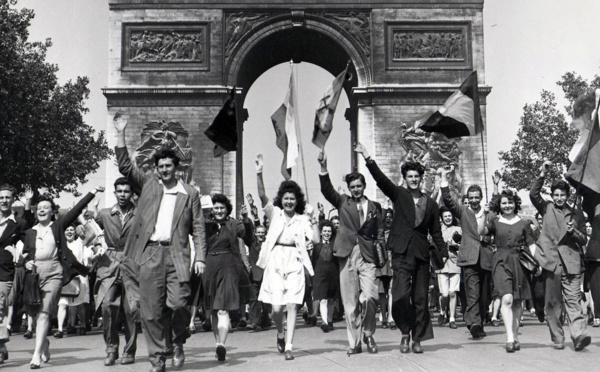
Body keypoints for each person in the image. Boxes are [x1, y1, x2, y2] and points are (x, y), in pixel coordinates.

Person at [114, 115, 206, 372]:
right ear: (155, 168)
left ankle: (177, 342)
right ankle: (157, 360)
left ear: (177, 168)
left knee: (179, 304)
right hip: (150, 254)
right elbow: (124, 166)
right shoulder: (148, 186)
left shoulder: (190, 194)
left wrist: (199, 257)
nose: (164, 169)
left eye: (168, 165)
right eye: (160, 166)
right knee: (151, 312)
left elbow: (198, 227)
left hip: (177, 255)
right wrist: (120, 133)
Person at [355, 142, 447, 354]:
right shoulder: (398, 195)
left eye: (417, 176)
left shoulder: (431, 204)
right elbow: (380, 179)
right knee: (399, 296)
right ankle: (405, 331)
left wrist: (442, 254)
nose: (414, 179)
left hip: (422, 254)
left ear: (421, 178)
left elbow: (436, 233)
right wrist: (367, 157)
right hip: (401, 252)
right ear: (405, 179)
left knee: (421, 298)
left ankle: (416, 339)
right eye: (410, 176)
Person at [23, 187, 103, 368]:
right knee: (35, 314)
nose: (42, 210)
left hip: (54, 273)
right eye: (39, 207)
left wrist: (93, 192)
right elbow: (27, 253)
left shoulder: (58, 226)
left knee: (44, 313)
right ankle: (44, 343)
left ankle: (36, 355)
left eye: (46, 207)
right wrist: (26, 262)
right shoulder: (30, 231)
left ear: (52, 211)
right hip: (35, 275)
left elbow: (76, 211)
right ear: (36, 211)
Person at [255, 154, 319, 361]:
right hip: (275, 259)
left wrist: (314, 218)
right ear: (281, 200)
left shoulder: (302, 219)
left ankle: (290, 345)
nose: (289, 201)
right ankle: (280, 333)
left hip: (295, 260)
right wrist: (259, 173)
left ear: (297, 201)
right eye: (286, 198)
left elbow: (316, 239)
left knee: (292, 304)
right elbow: (262, 195)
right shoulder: (274, 213)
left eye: (292, 198)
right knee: (277, 307)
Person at [318, 151, 382, 356]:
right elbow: (327, 190)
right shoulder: (342, 202)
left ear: (364, 186)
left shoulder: (374, 206)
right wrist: (323, 167)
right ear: (349, 189)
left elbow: (379, 232)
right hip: (347, 255)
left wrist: (380, 252)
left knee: (371, 297)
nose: (355, 190)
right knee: (350, 303)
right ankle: (355, 342)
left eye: (359, 186)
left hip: (368, 255)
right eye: (352, 187)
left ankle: (369, 333)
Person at [530, 160, 591, 351]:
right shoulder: (546, 208)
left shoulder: (577, 213)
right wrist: (542, 173)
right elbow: (533, 194)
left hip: (571, 263)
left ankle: (579, 334)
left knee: (573, 300)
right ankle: (557, 337)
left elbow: (583, 240)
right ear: (552, 195)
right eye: (556, 195)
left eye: (562, 195)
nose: (559, 198)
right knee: (553, 303)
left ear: (567, 195)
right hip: (551, 263)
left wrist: (574, 232)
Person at [439, 165, 495, 339]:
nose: (474, 200)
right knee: (473, 292)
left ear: (481, 198)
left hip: (485, 257)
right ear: (468, 199)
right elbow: (448, 199)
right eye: (471, 198)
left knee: (485, 295)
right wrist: (443, 177)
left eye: (477, 197)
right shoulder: (463, 211)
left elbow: (492, 229)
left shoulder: (489, 212)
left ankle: (480, 321)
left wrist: (496, 186)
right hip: (469, 257)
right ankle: (474, 323)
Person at [482, 189, 535, 353]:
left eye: (510, 202)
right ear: (499, 205)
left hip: (519, 262)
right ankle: (510, 338)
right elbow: (480, 231)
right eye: (504, 203)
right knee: (507, 299)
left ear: (515, 204)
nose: (507, 206)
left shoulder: (525, 223)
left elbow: (532, 244)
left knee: (518, 301)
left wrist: (538, 262)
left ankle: (515, 335)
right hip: (500, 261)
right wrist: (484, 214)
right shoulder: (495, 222)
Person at [202, 193, 253, 362]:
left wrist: (246, 218)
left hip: (228, 268)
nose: (219, 211)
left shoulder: (233, 224)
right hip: (210, 268)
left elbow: (247, 236)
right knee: (214, 310)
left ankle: (221, 345)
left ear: (227, 209)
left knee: (223, 308)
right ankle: (218, 344)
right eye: (216, 208)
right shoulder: (207, 225)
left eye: (222, 208)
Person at [93, 177, 138, 366]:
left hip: (132, 263)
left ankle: (129, 351)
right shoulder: (104, 214)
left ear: (132, 194)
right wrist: (94, 244)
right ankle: (111, 349)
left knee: (132, 309)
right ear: (114, 192)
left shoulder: (140, 214)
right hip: (109, 265)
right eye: (119, 191)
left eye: (126, 191)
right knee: (107, 305)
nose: (122, 195)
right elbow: (91, 229)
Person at [0, 185, 33, 363]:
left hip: (4, 272)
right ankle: (2, 345)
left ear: (13, 200)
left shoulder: (18, 223)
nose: (4, 200)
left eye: (7, 197)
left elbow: (28, 241)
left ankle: (0, 346)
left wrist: (20, 255)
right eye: (1, 197)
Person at [54, 224, 92, 339]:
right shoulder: (60, 245)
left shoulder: (79, 243)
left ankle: (84, 324)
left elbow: (90, 232)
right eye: (67, 230)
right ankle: (60, 329)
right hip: (65, 278)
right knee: (62, 303)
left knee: (79, 303)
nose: (69, 232)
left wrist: (82, 225)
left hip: (78, 277)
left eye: (71, 230)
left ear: (75, 232)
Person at [311, 220, 339, 332]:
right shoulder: (317, 245)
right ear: (321, 232)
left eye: (329, 231)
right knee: (322, 299)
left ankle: (330, 319)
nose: (327, 233)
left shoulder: (334, 244)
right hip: (320, 273)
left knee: (331, 299)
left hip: (332, 273)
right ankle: (324, 322)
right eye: (325, 231)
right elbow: (313, 260)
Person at [436, 206, 462, 329]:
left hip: (455, 262)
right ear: (442, 218)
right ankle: (442, 311)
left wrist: (456, 245)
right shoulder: (438, 230)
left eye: (449, 216)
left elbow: (463, 245)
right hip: (441, 264)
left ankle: (452, 318)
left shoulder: (458, 229)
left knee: (452, 292)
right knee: (445, 294)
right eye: (445, 216)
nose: (448, 218)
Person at [246, 225, 271, 331]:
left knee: (266, 300)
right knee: (254, 299)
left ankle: (265, 319)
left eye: (262, 232)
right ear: (255, 234)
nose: (261, 234)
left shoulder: (269, 244)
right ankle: (254, 321)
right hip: (255, 276)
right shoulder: (252, 243)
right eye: (259, 232)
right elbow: (247, 229)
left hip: (267, 274)